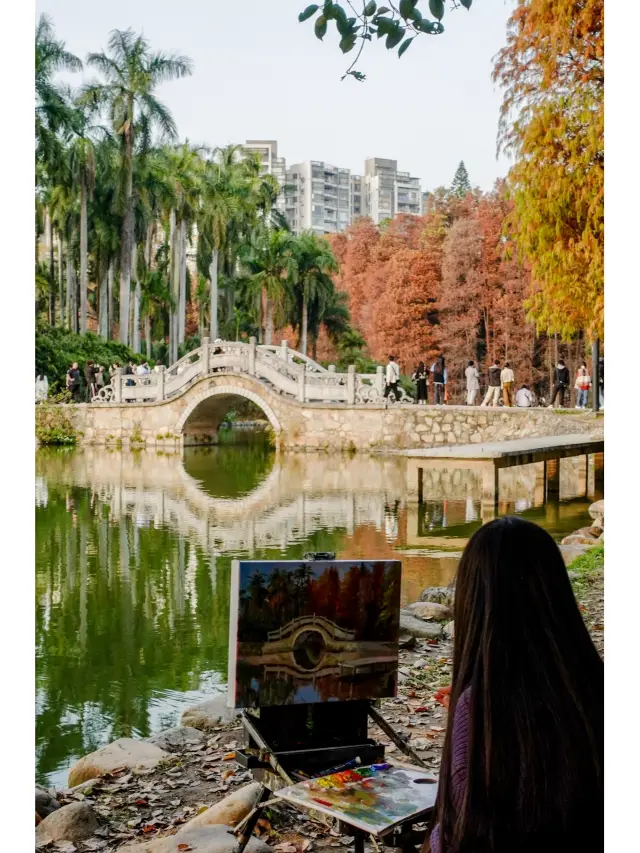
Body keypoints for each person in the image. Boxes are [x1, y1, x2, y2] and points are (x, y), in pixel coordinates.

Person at [425, 517, 603, 853]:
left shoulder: (481, 709)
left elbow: (460, 838)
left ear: (473, 599)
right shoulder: (595, 685)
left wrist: (471, 719)